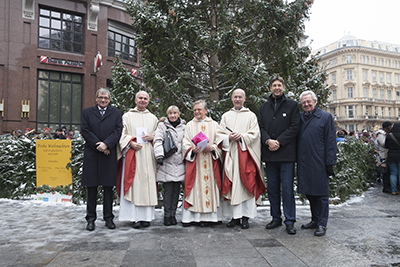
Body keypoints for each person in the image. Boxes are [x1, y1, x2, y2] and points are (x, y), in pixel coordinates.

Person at [216, 89, 266, 229]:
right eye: (235, 97)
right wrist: (228, 137)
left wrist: (242, 136)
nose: (237, 99)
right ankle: (234, 217)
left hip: (246, 155)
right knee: (232, 185)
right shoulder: (226, 116)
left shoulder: (251, 116)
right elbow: (219, 134)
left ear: (244, 99)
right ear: (232, 98)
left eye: (240, 97)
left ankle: (245, 217)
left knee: (246, 184)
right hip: (231, 156)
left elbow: (256, 134)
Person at [258, 76, 300, 235]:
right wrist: (268, 140)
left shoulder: (292, 106)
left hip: (286, 154)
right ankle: (276, 217)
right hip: (270, 155)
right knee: (273, 189)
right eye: (274, 85)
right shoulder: (263, 107)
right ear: (270, 88)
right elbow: (260, 127)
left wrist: (279, 142)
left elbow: (295, 127)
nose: (276, 88)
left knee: (288, 188)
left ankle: (290, 220)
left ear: (283, 87)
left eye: (279, 85)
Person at [80, 88, 123, 231]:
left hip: (108, 155)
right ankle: (90, 219)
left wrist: (106, 144)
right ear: (96, 98)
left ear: (109, 99)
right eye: (101, 97)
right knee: (91, 188)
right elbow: (85, 130)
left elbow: (118, 131)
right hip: (92, 155)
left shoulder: (116, 113)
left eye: (106, 98)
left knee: (107, 188)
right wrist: (99, 145)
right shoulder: (87, 112)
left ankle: (108, 218)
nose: (103, 100)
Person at [297, 90, 337, 237]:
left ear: (315, 101)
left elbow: (331, 141)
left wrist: (330, 163)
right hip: (305, 161)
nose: (306, 104)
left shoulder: (325, 117)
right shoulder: (300, 118)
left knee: (321, 195)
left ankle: (322, 223)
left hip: (319, 161)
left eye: (309, 101)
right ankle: (314, 219)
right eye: (304, 102)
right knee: (310, 193)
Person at [117, 91, 158, 229]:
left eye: (145, 98)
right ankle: (134, 217)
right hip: (133, 155)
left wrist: (153, 137)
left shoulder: (153, 118)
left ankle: (146, 218)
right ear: (135, 100)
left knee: (147, 185)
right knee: (134, 184)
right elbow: (121, 134)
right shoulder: (127, 116)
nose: (142, 100)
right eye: (140, 98)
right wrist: (130, 143)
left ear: (148, 101)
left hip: (148, 155)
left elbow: (159, 135)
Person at [181, 100, 222, 227]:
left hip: (210, 162)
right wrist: (191, 150)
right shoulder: (189, 125)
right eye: (194, 110)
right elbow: (185, 143)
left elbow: (220, 142)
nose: (197, 112)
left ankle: (212, 218)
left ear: (206, 110)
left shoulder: (215, 125)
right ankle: (193, 218)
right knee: (194, 188)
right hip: (196, 163)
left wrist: (213, 148)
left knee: (210, 188)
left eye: (199, 109)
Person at [153, 105, 186, 226]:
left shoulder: (184, 127)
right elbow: (157, 141)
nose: (172, 115)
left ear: (178, 114)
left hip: (179, 162)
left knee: (176, 190)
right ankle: (167, 215)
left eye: (175, 113)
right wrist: (159, 156)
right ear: (167, 115)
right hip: (167, 161)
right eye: (170, 113)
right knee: (168, 190)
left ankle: (173, 214)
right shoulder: (162, 126)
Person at [376, 121, 392, 193]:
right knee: (386, 171)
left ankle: (388, 185)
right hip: (384, 155)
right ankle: (386, 187)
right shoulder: (381, 134)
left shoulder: (385, 134)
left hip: (387, 154)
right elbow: (383, 143)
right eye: (389, 127)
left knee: (388, 171)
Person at [385, 122, 400, 195]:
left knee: (393, 173)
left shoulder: (389, 135)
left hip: (391, 156)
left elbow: (386, 146)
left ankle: (393, 190)